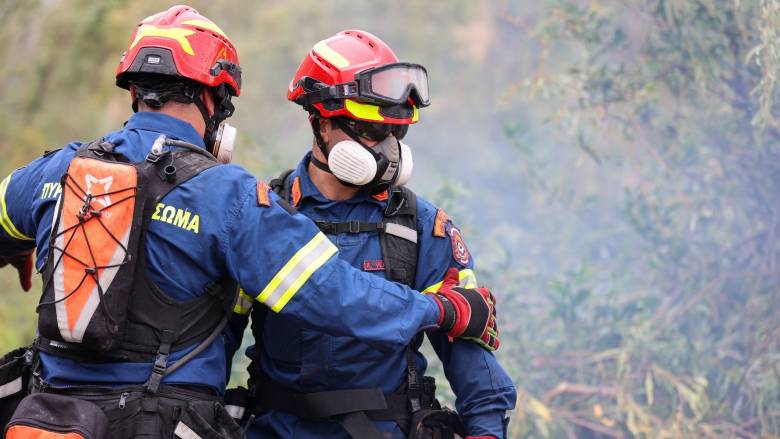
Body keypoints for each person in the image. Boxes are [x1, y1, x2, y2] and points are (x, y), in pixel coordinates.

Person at [0, 8, 499, 439]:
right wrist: (441, 311)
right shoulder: (232, 198)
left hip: (51, 419)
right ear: (213, 98)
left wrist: (22, 242)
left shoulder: (54, 171)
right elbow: (332, 294)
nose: (384, 146)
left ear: (136, 90)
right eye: (368, 129)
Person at [239, 30, 516, 439]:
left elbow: (476, 368)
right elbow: (211, 341)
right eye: (370, 129)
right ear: (321, 124)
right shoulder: (264, 215)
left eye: (395, 133)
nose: (386, 149)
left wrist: (487, 432)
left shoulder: (422, 227)